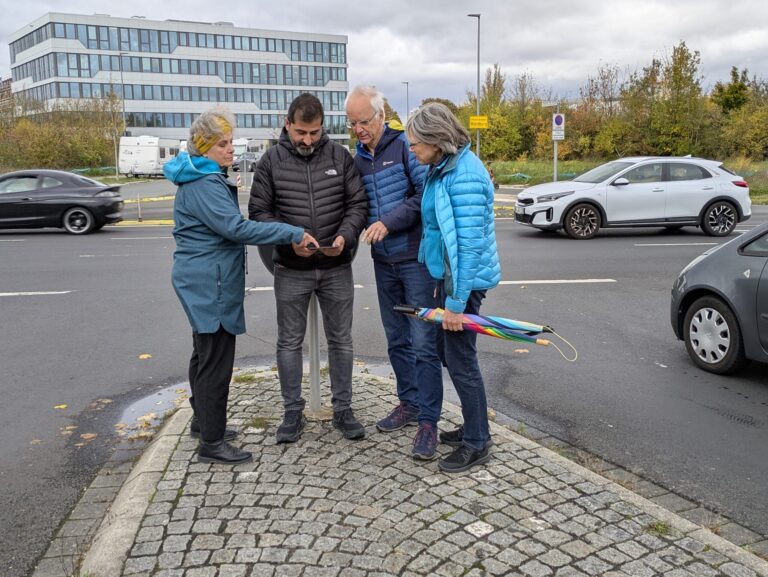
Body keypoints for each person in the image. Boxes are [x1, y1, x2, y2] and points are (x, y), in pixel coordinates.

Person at [165, 106, 310, 465]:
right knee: (215, 360)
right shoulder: (204, 182)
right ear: (204, 147)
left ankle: (203, 422)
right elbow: (237, 229)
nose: (231, 150)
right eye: (223, 144)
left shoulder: (200, 175)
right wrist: (290, 231)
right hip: (208, 281)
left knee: (203, 353)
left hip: (200, 278)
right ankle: (212, 443)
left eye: (230, 142)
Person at [249, 93, 368, 444]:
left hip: (335, 266)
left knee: (341, 340)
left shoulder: (339, 156)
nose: (308, 140)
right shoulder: (270, 161)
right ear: (288, 124)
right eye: (301, 132)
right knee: (288, 342)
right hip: (290, 267)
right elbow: (259, 214)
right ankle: (292, 412)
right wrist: (289, 242)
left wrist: (346, 236)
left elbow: (357, 203)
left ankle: (343, 410)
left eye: (314, 132)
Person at [345, 86, 443, 460]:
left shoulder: (404, 147)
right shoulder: (357, 158)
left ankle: (429, 424)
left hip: (415, 260)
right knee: (397, 340)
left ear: (380, 115)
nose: (358, 130)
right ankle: (409, 403)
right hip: (383, 263)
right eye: (352, 123)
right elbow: (354, 205)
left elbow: (423, 197)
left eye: (364, 121)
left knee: (423, 343)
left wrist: (388, 222)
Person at [405, 103, 501, 473]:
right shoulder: (442, 167)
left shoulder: (465, 176)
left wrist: (457, 303)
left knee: (461, 360)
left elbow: (469, 247)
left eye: (416, 143)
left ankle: (478, 442)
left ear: (435, 139)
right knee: (451, 353)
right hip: (446, 278)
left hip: (464, 283)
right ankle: (474, 425)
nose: (412, 149)